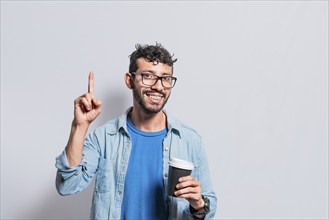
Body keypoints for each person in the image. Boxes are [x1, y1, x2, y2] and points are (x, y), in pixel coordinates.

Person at [55, 43, 217, 219]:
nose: (158, 86)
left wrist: (198, 204)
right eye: (148, 76)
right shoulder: (104, 138)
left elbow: (208, 209)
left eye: (166, 78)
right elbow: (68, 185)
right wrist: (79, 127)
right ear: (129, 80)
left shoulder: (189, 140)